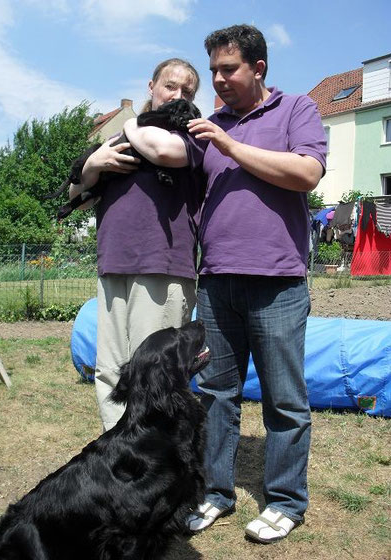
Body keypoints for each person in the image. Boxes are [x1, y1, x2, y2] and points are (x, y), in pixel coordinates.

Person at [185, 24, 327, 543]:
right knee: (215, 394)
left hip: (278, 282)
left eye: (229, 69)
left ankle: (286, 501)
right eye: (214, 71)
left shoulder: (296, 110)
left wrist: (228, 142)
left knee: (284, 399)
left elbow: (307, 173)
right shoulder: (205, 125)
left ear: (258, 68)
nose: (218, 80)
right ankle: (214, 492)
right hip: (217, 281)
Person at [69, 58, 206, 432]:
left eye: (188, 91)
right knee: (110, 368)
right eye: (170, 87)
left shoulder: (189, 134)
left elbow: (161, 152)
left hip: (162, 264)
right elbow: (76, 193)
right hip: (113, 262)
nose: (178, 95)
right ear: (151, 85)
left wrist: (130, 124)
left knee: (157, 372)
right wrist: (95, 163)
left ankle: (154, 454)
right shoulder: (117, 143)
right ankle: (119, 453)